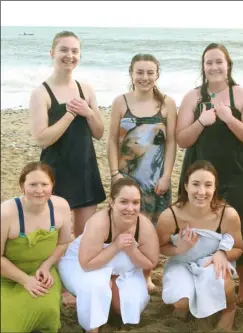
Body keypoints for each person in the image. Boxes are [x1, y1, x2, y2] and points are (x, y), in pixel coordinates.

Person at [176, 43, 243, 303]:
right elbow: (182, 140)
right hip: (198, 173)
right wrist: (202, 121)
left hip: (235, 173)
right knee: (196, 226)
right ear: (203, 67)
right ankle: (196, 276)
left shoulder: (242, 95)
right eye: (208, 62)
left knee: (238, 228)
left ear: (228, 65)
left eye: (218, 62)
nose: (213, 67)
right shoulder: (192, 97)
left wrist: (229, 118)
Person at [107, 53, 177, 291]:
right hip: (126, 177)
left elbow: (171, 143)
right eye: (140, 72)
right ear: (131, 73)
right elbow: (112, 141)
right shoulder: (120, 102)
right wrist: (115, 173)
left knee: (152, 228)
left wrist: (167, 175)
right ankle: (121, 271)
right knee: (124, 225)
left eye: (150, 72)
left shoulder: (167, 103)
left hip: (156, 179)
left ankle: (146, 275)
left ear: (157, 75)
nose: (144, 77)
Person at [29, 31, 106, 239]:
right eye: (64, 50)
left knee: (84, 237)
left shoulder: (86, 90)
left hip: (85, 169)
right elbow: (42, 139)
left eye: (75, 51)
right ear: (52, 53)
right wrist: (70, 114)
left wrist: (88, 112)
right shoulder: (41, 93)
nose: (69, 55)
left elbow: (99, 133)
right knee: (54, 237)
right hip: (55, 172)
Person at [58, 178, 159, 333]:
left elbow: (151, 262)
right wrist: (116, 246)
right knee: (97, 285)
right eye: (124, 202)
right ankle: (92, 328)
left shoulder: (143, 225)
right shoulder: (99, 223)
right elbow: (86, 264)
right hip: (83, 267)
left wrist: (132, 250)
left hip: (122, 270)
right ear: (112, 202)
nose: (130, 208)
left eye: (135, 202)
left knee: (131, 303)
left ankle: (111, 306)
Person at [157, 160, 243, 330]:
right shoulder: (170, 216)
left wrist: (222, 253)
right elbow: (160, 247)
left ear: (215, 188)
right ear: (186, 186)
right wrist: (179, 249)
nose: (201, 192)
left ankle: (229, 310)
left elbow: (239, 248)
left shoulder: (228, 214)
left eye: (208, 185)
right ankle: (188, 304)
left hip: (211, 263)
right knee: (181, 302)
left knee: (221, 277)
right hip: (180, 263)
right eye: (195, 184)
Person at [1, 161, 72, 333]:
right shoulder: (6, 213)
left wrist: (46, 266)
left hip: (41, 274)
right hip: (7, 277)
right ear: (22, 186)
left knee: (45, 310)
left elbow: (64, 242)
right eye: (33, 184)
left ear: (52, 186)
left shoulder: (61, 206)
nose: (39, 190)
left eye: (44, 184)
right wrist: (25, 281)